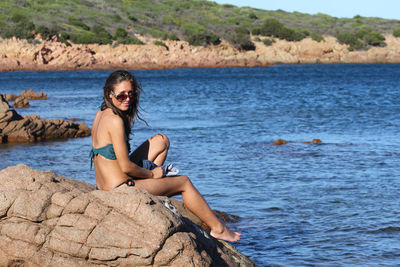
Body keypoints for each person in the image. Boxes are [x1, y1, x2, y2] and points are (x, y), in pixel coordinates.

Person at [90, 70, 241, 242]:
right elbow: (125, 167)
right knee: (184, 182)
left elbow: (116, 161)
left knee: (161, 141)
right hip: (119, 189)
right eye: (121, 96)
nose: (127, 99)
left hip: (107, 184)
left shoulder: (101, 113)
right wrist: (153, 174)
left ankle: (156, 188)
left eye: (130, 94)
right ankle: (218, 229)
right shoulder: (115, 121)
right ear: (110, 94)